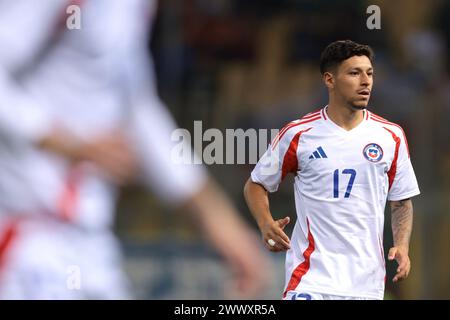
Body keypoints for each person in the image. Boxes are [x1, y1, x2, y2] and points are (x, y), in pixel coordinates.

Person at [0, 0, 270, 299]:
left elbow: (135, 106)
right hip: (27, 239)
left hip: (90, 240)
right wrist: (68, 145)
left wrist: (217, 221)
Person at [244, 40, 420, 300]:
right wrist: (265, 223)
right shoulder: (298, 134)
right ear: (329, 80)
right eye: (354, 73)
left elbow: (401, 201)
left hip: (366, 284)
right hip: (310, 280)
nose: (365, 81)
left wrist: (402, 246)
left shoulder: (390, 136)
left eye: (369, 73)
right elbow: (256, 184)